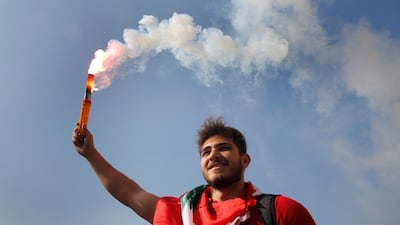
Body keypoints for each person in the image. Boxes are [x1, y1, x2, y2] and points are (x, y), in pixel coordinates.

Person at [72, 117, 316, 225]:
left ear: (245, 160)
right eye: (206, 152)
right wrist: (91, 154)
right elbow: (131, 195)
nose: (213, 155)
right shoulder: (180, 213)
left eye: (224, 148)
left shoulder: (281, 212)